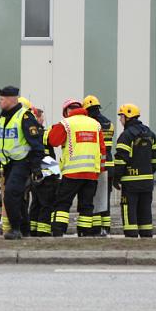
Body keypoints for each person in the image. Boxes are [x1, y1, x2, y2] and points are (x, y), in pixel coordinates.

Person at [44, 99, 106, 237]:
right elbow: (102, 149)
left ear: (67, 111)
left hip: (72, 173)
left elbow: (53, 141)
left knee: (63, 203)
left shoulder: (66, 124)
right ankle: (84, 232)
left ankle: (58, 230)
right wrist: (100, 171)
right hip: (91, 174)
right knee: (86, 204)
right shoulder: (95, 124)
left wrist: (52, 130)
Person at [0, 86, 45, 240]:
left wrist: (36, 168)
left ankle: (15, 228)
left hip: (22, 162)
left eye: (2, 99)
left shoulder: (25, 117)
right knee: (19, 198)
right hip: (8, 163)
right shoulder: (2, 117)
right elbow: (0, 143)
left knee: (10, 194)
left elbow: (37, 144)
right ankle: (25, 229)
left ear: (11, 99)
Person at [113, 103, 156, 238]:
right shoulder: (150, 133)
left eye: (121, 116)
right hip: (147, 181)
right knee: (145, 210)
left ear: (127, 117)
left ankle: (131, 238)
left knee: (129, 210)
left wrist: (116, 178)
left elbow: (121, 159)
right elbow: (155, 159)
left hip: (130, 182)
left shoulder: (126, 136)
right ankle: (146, 236)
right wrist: (148, 173)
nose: (120, 120)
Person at [19, 98, 60, 237]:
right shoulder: (42, 133)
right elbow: (54, 141)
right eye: (40, 117)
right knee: (46, 203)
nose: (42, 120)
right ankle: (43, 230)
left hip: (36, 172)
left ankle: (34, 228)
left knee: (36, 203)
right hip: (46, 173)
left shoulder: (28, 133)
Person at [83, 95, 115, 236]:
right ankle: (106, 228)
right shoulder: (109, 124)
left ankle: (96, 229)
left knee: (95, 197)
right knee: (105, 198)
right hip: (109, 164)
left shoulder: (91, 124)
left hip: (97, 165)